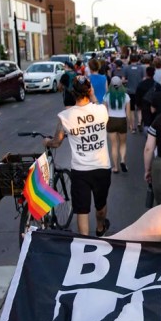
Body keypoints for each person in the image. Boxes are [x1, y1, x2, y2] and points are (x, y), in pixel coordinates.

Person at [43, 75, 112, 237]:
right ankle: (101, 226)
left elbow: (56, 142)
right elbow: (96, 103)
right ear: (89, 90)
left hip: (80, 170)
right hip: (102, 167)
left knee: (82, 210)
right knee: (100, 205)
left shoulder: (65, 116)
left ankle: (85, 243)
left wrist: (47, 142)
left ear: (73, 93)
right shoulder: (102, 110)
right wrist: (93, 94)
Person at [103, 76, 131, 174]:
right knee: (122, 143)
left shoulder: (106, 96)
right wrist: (130, 124)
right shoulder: (126, 96)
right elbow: (128, 113)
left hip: (110, 120)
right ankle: (122, 160)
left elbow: (104, 111)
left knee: (114, 145)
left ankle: (115, 167)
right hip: (122, 120)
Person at [122, 54, 145, 133]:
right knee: (139, 109)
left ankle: (133, 127)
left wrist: (128, 81)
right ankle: (139, 122)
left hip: (130, 91)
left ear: (130, 60)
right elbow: (144, 79)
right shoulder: (141, 68)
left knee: (131, 110)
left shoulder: (126, 68)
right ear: (137, 60)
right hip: (139, 91)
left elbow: (123, 80)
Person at [137, 66, 159, 134]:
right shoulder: (157, 85)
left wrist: (139, 105)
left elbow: (138, 96)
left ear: (146, 73)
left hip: (144, 106)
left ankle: (147, 137)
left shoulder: (141, 84)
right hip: (155, 107)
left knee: (146, 123)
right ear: (154, 73)